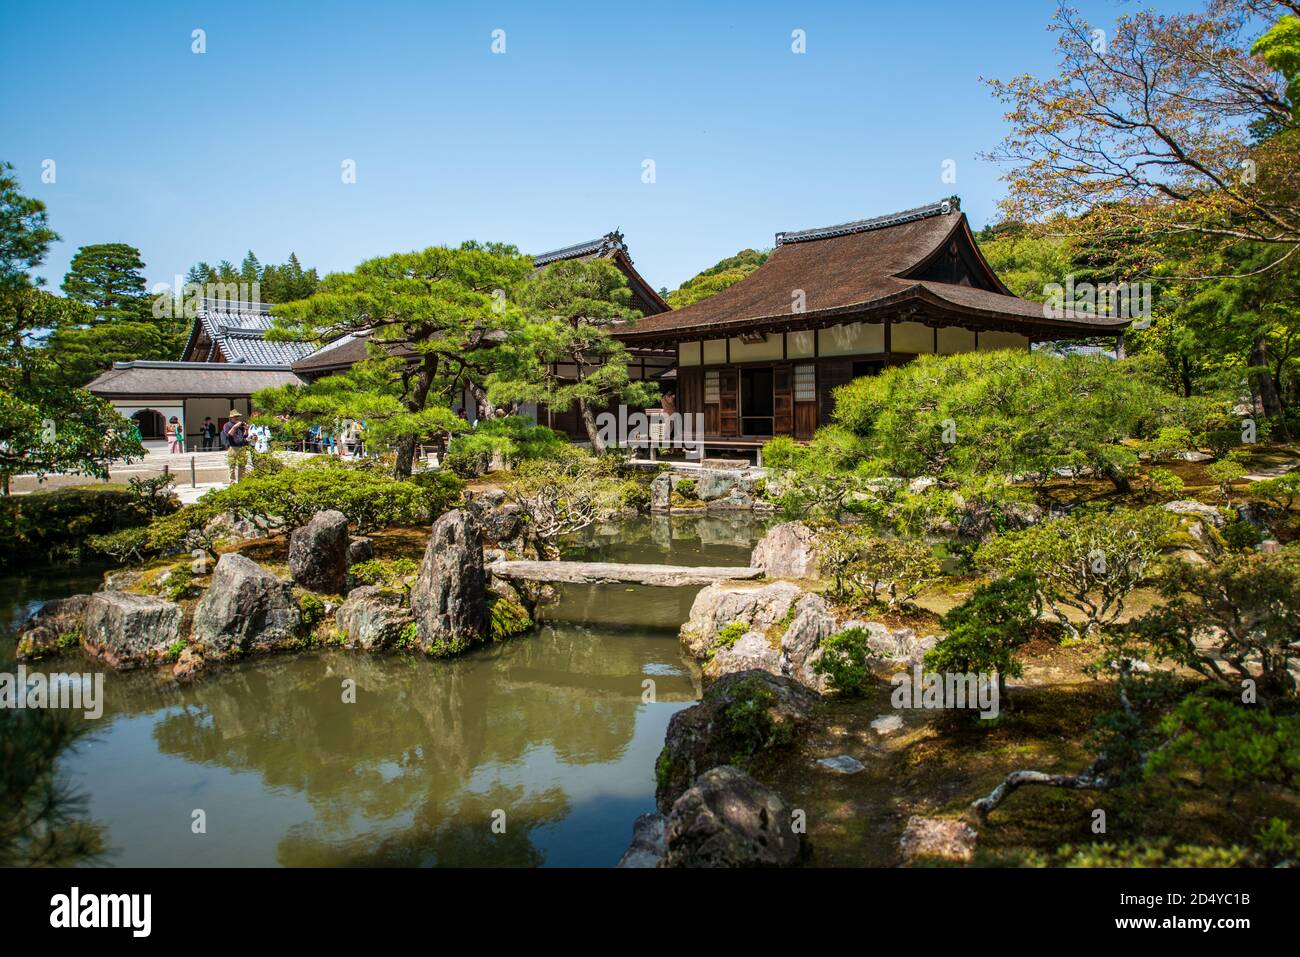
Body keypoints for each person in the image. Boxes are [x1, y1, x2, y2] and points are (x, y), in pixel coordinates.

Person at [222, 410, 252, 483]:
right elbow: (229, 435)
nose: (237, 418)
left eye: (238, 416)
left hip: (242, 447)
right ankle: (232, 482)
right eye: (235, 416)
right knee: (232, 466)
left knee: (242, 466)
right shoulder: (227, 425)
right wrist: (235, 426)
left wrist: (246, 429)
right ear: (231, 417)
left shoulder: (240, 425)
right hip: (233, 448)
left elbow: (245, 436)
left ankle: (241, 482)